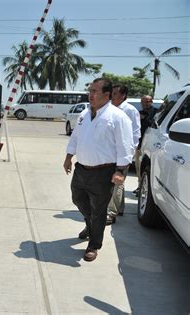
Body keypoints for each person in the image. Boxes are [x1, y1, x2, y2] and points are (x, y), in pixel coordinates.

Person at [63, 78, 133, 262]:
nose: (90, 94)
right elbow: (76, 137)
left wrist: (120, 170)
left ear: (107, 94)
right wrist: (69, 157)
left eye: (95, 91)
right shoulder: (85, 114)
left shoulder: (117, 117)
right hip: (81, 169)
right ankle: (90, 225)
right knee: (78, 199)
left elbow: (126, 146)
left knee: (99, 209)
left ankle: (94, 244)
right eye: (90, 90)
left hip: (103, 172)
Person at [105, 84, 141, 225]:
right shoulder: (111, 109)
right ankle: (120, 208)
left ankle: (110, 213)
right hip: (112, 152)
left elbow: (135, 134)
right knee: (119, 181)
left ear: (123, 96)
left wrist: (129, 154)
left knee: (116, 183)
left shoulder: (130, 110)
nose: (111, 96)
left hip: (123, 154)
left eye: (114, 94)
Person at [133, 95, 158, 195]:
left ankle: (145, 189)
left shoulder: (156, 113)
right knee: (139, 168)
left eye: (147, 101)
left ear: (151, 102)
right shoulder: (138, 114)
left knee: (147, 169)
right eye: (143, 101)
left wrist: (145, 119)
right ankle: (140, 186)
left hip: (150, 146)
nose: (145, 103)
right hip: (139, 145)